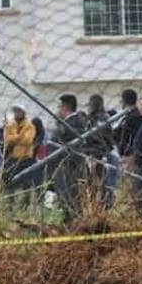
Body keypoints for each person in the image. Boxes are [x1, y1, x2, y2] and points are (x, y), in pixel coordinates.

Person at [51, 94, 88, 222]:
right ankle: (69, 220)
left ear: (65, 107)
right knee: (66, 196)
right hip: (65, 164)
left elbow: (75, 145)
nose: (57, 110)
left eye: (59, 106)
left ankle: (71, 221)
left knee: (70, 196)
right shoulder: (67, 123)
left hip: (70, 165)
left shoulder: (74, 123)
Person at [1, 105, 37, 197]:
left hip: (25, 158)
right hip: (12, 157)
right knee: (9, 182)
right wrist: (20, 136)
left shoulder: (30, 126)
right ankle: (10, 202)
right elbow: (7, 139)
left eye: (19, 111)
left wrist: (14, 138)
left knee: (26, 183)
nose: (17, 113)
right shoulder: (10, 125)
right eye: (15, 111)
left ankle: (25, 203)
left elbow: (28, 141)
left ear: (23, 113)